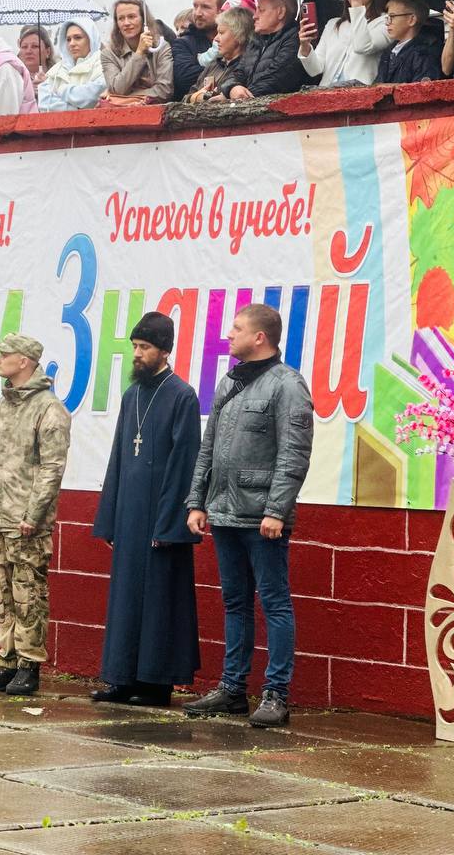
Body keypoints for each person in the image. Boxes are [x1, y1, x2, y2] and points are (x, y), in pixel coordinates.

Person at [184, 304, 314, 729]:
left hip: (263, 519)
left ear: (260, 337)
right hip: (224, 513)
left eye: (237, 328)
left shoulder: (288, 385)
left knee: (274, 602)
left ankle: (276, 694)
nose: (229, 334)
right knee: (235, 602)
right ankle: (232, 689)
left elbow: (294, 454)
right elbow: (208, 447)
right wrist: (197, 501)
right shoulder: (229, 383)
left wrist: (276, 509)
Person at [90, 312, 203, 708]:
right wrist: (110, 519)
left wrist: (170, 523)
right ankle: (121, 678)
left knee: (158, 601)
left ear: (164, 351)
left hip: (160, 519)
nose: (137, 354)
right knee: (125, 598)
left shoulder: (182, 396)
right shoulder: (132, 395)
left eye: (145, 348)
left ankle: (156, 685)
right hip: (130, 516)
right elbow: (120, 457)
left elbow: (185, 463)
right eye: (135, 347)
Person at [0, 334, 71, 697]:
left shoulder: (49, 409)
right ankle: (8, 661)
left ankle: (29, 666)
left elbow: (52, 468)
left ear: (24, 361)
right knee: (1, 593)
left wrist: (34, 513)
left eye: (5, 355)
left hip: (26, 522)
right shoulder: (3, 405)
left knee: (29, 594)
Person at [299, 0, 391, 86]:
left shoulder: (386, 22)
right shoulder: (333, 24)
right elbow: (315, 70)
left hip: (361, 94)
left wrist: (357, 5)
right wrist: (305, 47)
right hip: (326, 93)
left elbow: (362, 47)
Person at [227, 0, 307, 100]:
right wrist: (232, 88)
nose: (254, 16)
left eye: (261, 10)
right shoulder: (256, 40)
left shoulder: (295, 40)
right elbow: (238, 72)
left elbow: (275, 79)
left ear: (280, 12)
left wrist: (240, 96)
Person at [99, 0, 174, 105]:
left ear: (144, 20)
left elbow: (164, 90)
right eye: (121, 18)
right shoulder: (108, 54)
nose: (126, 23)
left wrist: (122, 98)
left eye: (131, 17)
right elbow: (117, 88)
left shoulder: (161, 47)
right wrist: (139, 53)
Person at [171, 0, 229, 100]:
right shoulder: (183, 43)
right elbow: (185, 79)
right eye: (195, 6)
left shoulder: (235, 39)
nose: (197, 13)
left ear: (221, 11)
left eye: (205, 7)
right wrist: (228, 74)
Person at [184, 8, 254, 104]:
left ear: (239, 35)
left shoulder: (247, 68)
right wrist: (195, 97)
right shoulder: (214, 64)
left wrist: (203, 96)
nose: (216, 39)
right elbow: (185, 99)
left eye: (221, 32)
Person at [37, 17, 106, 112]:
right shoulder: (57, 70)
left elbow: (92, 96)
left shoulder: (104, 64)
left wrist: (61, 90)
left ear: (91, 39)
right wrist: (77, 109)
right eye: (68, 39)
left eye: (78, 38)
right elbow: (45, 103)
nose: (72, 43)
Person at [375, 0, 442, 83]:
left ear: (411, 20)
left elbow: (421, 89)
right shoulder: (388, 52)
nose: (387, 23)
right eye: (387, 18)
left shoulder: (424, 54)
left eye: (392, 17)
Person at [17, 24, 57, 89]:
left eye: (35, 46)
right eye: (24, 47)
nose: (28, 51)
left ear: (48, 52)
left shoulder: (58, 77)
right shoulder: (14, 78)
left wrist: (47, 89)